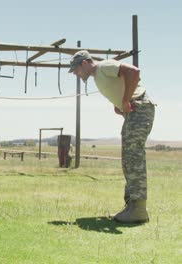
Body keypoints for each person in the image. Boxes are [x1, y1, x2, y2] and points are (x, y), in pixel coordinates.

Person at [69, 50, 155, 223]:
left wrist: (125, 99)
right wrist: (119, 104)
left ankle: (138, 209)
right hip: (133, 112)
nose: (76, 75)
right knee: (129, 158)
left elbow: (134, 72)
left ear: (84, 64)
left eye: (76, 70)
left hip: (140, 108)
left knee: (133, 157)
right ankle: (132, 206)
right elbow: (122, 84)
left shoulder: (103, 66)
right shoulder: (98, 77)